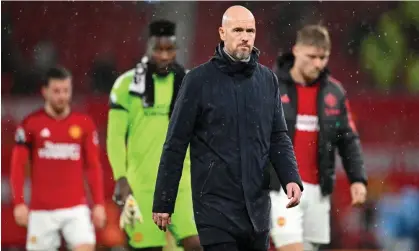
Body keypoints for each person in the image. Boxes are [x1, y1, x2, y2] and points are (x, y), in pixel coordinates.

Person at [152, 6, 304, 251]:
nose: (245, 36)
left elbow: (278, 135)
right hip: (215, 209)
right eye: (238, 30)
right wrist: (164, 200)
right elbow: (175, 143)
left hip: (257, 209)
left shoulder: (267, 81)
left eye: (250, 30)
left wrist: (291, 177)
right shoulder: (197, 81)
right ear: (222, 33)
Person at [269, 24, 368, 251]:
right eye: (311, 56)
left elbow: (348, 139)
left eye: (323, 57)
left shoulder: (334, 92)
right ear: (296, 50)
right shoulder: (271, 86)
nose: (318, 64)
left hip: (318, 191)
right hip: (281, 189)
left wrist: (358, 178)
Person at [107, 20, 201, 251]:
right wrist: (120, 177)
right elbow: (115, 137)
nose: (164, 56)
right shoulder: (126, 85)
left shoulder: (192, 84)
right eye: (158, 50)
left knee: (198, 244)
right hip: (142, 186)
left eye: (169, 50)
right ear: (148, 48)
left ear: (176, 50)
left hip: (183, 184)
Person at [10, 66, 106, 251]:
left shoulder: (84, 124)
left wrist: (99, 204)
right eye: (56, 91)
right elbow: (17, 167)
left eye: (66, 91)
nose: (62, 96)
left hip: (75, 208)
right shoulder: (30, 124)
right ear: (44, 91)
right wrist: (19, 203)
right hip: (41, 211)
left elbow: (93, 166)